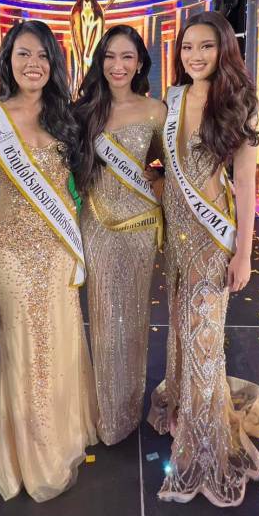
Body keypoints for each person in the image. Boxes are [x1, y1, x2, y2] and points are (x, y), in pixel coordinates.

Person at [0, 20, 97, 503]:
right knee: (24, 344)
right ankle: (30, 452)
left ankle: (62, 431)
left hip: (60, 247)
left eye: (42, 55)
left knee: (60, 336)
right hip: (11, 251)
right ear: (8, 60)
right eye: (23, 54)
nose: (33, 64)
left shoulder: (68, 117)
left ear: (53, 63)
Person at [147, 11, 259, 507]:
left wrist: (244, 253)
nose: (195, 56)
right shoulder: (173, 98)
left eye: (205, 46)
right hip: (177, 235)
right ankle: (188, 409)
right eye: (187, 47)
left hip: (213, 235)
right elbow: (165, 161)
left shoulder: (241, 103)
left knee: (204, 337)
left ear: (224, 50)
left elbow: (246, 185)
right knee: (183, 327)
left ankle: (204, 447)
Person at [73, 25, 165, 445]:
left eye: (127, 56)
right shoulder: (84, 111)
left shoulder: (155, 111)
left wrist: (154, 181)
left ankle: (128, 406)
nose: (118, 65)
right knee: (105, 316)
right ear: (100, 61)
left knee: (134, 318)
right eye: (110, 56)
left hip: (140, 228)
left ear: (140, 62)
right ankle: (108, 412)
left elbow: (170, 167)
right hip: (96, 224)